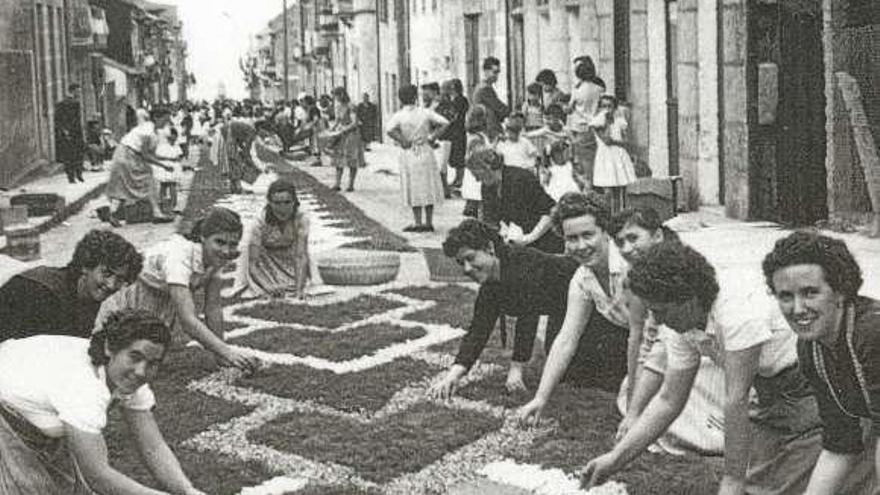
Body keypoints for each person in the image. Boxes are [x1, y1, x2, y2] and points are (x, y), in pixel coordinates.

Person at [581, 241, 873, 495]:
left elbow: (736, 398)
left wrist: (732, 481)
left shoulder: (736, 309)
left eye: (661, 311)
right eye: (786, 296)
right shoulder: (680, 323)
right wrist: (615, 458)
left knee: (780, 485)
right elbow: (669, 399)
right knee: (761, 485)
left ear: (688, 299)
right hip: (774, 394)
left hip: (803, 387)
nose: (656, 321)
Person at [0, 309, 207, 495]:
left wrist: (187, 490)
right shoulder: (84, 387)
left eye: (153, 363)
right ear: (110, 347)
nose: (141, 371)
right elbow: (97, 475)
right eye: (135, 357)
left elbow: (152, 446)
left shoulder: (128, 379)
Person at [763, 231, 880, 494]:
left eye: (810, 293)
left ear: (840, 291)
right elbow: (841, 442)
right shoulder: (811, 348)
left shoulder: (872, 332)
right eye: (785, 296)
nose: (798, 308)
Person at [607, 209, 726, 457]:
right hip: (686, 354)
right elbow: (644, 342)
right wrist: (633, 410)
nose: (627, 249)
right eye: (620, 242)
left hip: (716, 359)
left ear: (658, 235)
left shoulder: (683, 271)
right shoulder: (642, 279)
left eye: (633, 238)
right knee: (639, 395)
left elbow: (664, 346)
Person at [94, 207, 260, 373]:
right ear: (203, 237)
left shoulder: (217, 257)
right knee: (109, 356)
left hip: (160, 298)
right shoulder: (179, 255)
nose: (226, 251)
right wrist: (229, 353)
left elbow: (213, 308)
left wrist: (221, 355)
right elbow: (187, 320)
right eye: (220, 242)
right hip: (130, 293)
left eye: (232, 244)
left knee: (150, 357)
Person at [429, 219, 580, 398]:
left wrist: (516, 369)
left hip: (586, 297)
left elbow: (528, 317)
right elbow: (478, 330)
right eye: (461, 263)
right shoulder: (491, 283)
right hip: (560, 308)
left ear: (489, 248)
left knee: (583, 378)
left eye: (470, 258)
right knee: (565, 372)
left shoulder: (521, 264)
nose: (467, 268)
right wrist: (453, 375)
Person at [516, 192, 631, 425]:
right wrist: (540, 398)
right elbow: (566, 340)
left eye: (588, 235)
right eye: (572, 238)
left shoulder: (628, 265)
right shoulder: (582, 279)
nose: (581, 246)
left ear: (606, 232)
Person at [0, 230, 142, 343]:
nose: (112, 285)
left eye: (120, 279)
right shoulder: (41, 293)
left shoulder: (88, 295)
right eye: (106, 273)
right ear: (86, 265)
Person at [466, 146, 563, 253]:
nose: (476, 179)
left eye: (477, 174)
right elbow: (491, 219)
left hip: (545, 240)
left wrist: (529, 238)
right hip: (519, 241)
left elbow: (550, 211)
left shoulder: (521, 178)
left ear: (487, 167)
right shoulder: (487, 187)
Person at [386, 84, 450, 232]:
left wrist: (402, 140)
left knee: (413, 186)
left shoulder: (400, 115)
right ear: (415, 97)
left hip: (409, 152)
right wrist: (432, 136)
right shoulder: (425, 112)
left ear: (400, 99)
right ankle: (428, 221)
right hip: (425, 149)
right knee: (427, 185)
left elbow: (389, 129)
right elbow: (445, 123)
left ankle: (417, 222)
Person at [234, 178, 310, 299]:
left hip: (289, 256)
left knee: (300, 284)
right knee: (263, 290)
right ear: (269, 202)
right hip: (264, 259)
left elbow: (300, 256)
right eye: (277, 203)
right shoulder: (259, 222)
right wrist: (267, 287)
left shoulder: (301, 218)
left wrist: (299, 289)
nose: (282, 208)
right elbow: (253, 264)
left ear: (294, 202)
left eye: (287, 202)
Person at [104, 107, 175, 225]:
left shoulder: (150, 129)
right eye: (165, 120)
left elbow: (150, 154)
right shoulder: (148, 132)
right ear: (156, 118)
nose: (167, 123)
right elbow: (146, 156)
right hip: (128, 156)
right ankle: (156, 213)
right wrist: (163, 165)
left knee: (123, 186)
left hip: (126, 154)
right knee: (146, 179)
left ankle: (113, 213)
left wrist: (167, 159)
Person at [591, 94, 636, 212]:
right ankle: (612, 217)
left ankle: (623, 215)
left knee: (622, 190)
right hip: (606, 158)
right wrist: (605, 121)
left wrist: (619, 142)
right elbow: (606, 140)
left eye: (609, 106)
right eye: (603, 106)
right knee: (609, 193)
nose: (606, 109)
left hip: (619, 157)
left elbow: (627, 142)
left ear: (615, 108)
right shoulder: (597, 123)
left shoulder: (620, 122)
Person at [566, 57, 603, 187]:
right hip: (592, 128)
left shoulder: (577, 90)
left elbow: (569, 109)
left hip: (578, 128)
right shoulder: (599, 89)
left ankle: (588, 189)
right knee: (591, 160)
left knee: (581, 162)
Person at [324, 87, 364, 191]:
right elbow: (337, 120)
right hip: (341, 134)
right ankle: (337, 183)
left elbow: (354, 123)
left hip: (351, 135)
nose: (335, 98)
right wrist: (332, 129)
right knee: (338, 159)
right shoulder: (338, 106)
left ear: (342, 94)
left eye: (336, 96)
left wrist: (343, 130)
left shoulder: (351, 106)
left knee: (352, 159)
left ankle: (351, 184)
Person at [218, 112, 261, 194]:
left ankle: (234, 186)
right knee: (234, 161)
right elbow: (246, 152)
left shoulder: (248, 130)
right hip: (228, 133)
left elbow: (241, 143)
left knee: (233, 161)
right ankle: (237, 187)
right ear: (260, 130)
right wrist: (253, 166)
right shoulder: (251, 133)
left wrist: (244, 154)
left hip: (228, 133)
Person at [461, 105, 491, 219]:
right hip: (477, 173)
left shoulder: (477, 135)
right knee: (480, 203)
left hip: (475, 173)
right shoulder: (476, 138)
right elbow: (474, 156)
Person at [440, 78, 470, 190]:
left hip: (458, 130)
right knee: (456, 156)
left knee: (458, 156)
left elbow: (455, 116)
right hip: (457, 130)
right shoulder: (457, 99)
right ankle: (458, 178)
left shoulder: (460, 100)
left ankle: (460, 179)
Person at [472, 56, 510, 141]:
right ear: (486, 71)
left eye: (498, 73)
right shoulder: (485, 89)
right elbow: (500, 108)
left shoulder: (482, 87)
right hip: (490, 131)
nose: (496, 76)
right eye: (495, 72)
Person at [55, 84, 86, 183]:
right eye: (78, 91)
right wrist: (66, 130)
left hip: (72, 133)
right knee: (73, 155)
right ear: (73, 91)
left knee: (74, 155)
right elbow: (60, 120)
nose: (79, 93)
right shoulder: (69, 103)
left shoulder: (67, 103)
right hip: (72, 133)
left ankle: (75, 175)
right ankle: (75, 175)